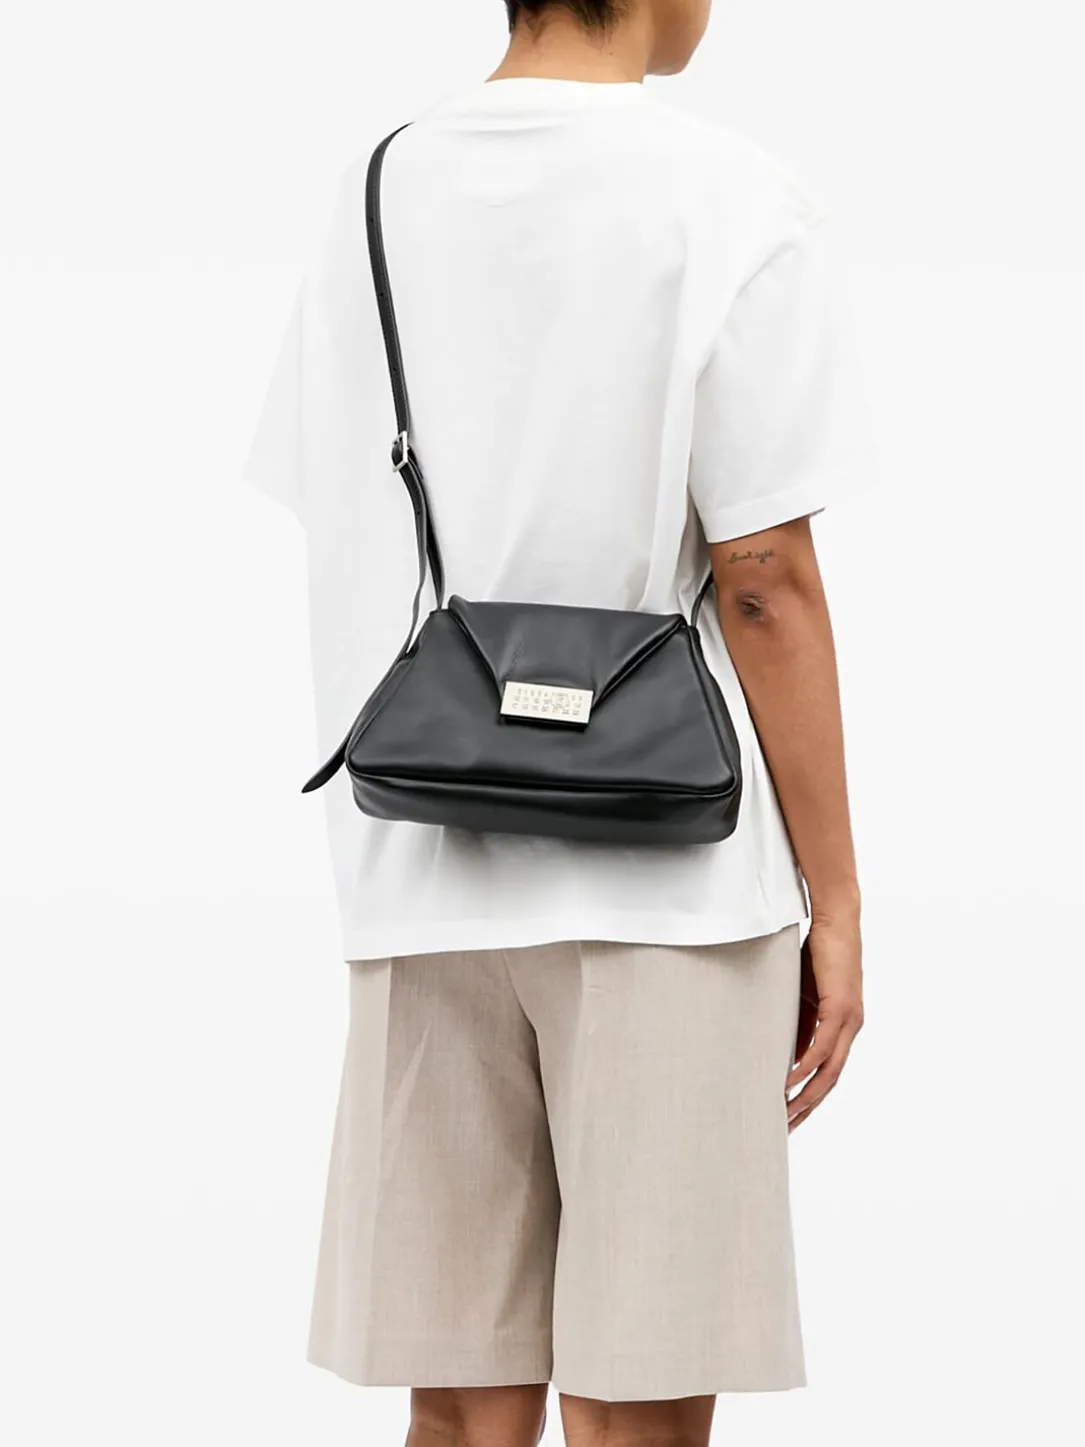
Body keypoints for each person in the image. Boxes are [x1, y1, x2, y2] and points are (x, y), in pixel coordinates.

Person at [244, 2, 869, 1443]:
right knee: (637, 1414)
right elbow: (763, 580)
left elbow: (338, 509)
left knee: (463, 1413)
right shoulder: (732, 197)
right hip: (672, 892)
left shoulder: (372, 192)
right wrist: (834, 900)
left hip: (421, 874)